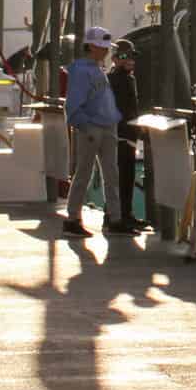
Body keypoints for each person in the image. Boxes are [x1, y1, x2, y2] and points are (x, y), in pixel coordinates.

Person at [62, 27, 124, 238]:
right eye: (103, 47)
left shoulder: (95, 69)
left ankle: (114, 218)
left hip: (106, 126)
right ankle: (72, 218)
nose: (106, 52)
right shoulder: (81, 71)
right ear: (93, 47)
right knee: (84, 174)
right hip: (93, 128)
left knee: (110, 174)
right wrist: (85, 126)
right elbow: (73, 105)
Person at [106, 38, 145, 236]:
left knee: (128, 177)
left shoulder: (129, 79)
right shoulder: (114, 79)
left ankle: (126, 214)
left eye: (131, 57)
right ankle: (116, 216)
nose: (130, 61)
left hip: (128, 135)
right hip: (120, 135)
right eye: (125, 57)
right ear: (116, 58)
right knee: (120, 178)